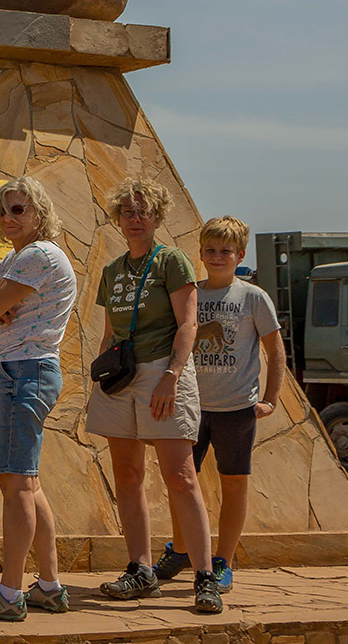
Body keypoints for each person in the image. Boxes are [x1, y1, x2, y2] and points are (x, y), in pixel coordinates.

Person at [85, 178, 224, 614]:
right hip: (121, 379)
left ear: (157, 216)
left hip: (163, 372)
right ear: (118, 218)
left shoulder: (172, 261)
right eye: (127, 211)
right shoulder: (111, 271)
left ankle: (205, 576)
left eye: (143, 211)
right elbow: (110, 330)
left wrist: (172, 376)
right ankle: (140, 569)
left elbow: (188, 324)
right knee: (126, 475)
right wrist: (102, 376)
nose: (135, 218)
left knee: (180, 476)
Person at [0, 177, 77, 621]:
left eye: (20, 209)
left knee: (16, 484)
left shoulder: (38, 255)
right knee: (27, 482)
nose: (9, 218)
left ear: (40, 212)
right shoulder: (17, 257)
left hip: (24, 373)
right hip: (19, 372)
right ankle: (49, 587)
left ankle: (9, 594)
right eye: (4, 210)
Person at [153, 215, 286, 595]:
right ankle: (181, 551)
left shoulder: (253, 297)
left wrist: (270, 400)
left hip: (236, 408)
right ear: (200, 253)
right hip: (191, 407)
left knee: (234, 484)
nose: (216, 257)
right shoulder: (191, 293)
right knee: (181, 482)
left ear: (239, 254)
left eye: (225, 251)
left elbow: (275, 351)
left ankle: (223, 560)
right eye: (210, 250)